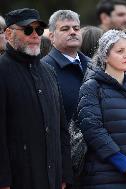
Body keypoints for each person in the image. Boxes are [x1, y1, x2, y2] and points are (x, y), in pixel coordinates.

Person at [0, 8, 72, 189]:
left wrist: (64, 173)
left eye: (39, 30)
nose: (35, 35)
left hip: (53, 177)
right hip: (19, 177)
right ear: (8, 33)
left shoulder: (48, 71)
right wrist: (3, 181)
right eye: (27, 30)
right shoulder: (2, 71)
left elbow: (61, 127)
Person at [77, 30, 126, 189]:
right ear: (105, 56)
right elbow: (93, 130)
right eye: (120, 51)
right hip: (104, 177)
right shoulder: (92, 87)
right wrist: (125, 165)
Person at [42, 10, 92, 122]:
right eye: (65, 29)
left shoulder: (93, 65)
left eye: (76, 28)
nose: (73, 32)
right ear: (51, 36)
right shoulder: (43, 68)